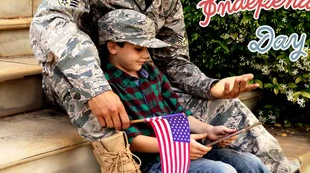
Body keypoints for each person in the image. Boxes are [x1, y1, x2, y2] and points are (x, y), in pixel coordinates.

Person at [29, 0, 298, 172]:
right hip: (82, 78)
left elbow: (173, 61)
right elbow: (48, 23)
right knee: (88, 90)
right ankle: (122, 163)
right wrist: (96, 88)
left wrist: (209, 87)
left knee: (230, 115)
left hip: (138, 77)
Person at [98, 9, 270, 173]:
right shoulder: (107, 89)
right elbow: (127, 139)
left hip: (185, 147)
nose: (146, 55)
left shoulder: (153, 74)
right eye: (138, 48)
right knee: (222, 171)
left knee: (250, 163)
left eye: (148, 48)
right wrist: (175, 147)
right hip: (154, 160)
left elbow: (179, 114)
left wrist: (210, 130)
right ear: (113, 47)